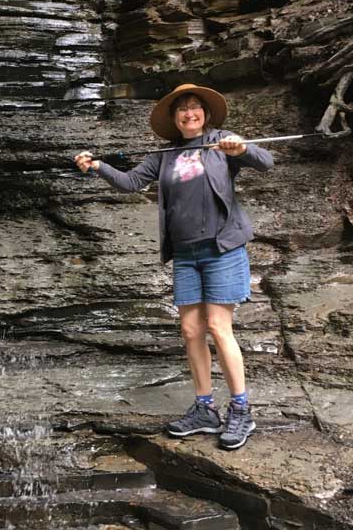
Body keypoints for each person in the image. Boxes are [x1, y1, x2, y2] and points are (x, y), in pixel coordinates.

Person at [74, 83, 273, 450]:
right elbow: (131, 182)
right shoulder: (164, 156)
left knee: (217, 325)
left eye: (195, 106)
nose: (189, 113)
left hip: (222, 249)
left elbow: (265, 162)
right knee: (190, 330)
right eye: (182, 109)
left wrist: (241, 148)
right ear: (174, 118)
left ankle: (241, 410)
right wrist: (98, 165)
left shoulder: (221, 141)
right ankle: (205, 408)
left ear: (206, 113)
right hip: (185, 254)